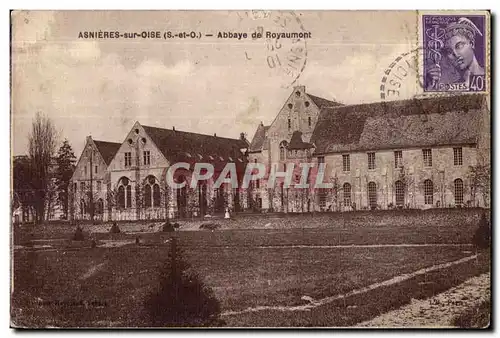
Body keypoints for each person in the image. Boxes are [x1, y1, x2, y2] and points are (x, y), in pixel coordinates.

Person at [426, 17, 484, 90]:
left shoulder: (492, 76)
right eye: (449, 51)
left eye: (459, 46)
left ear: (472, 43)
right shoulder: (450, 87)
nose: (455, 55)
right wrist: (432, 86)